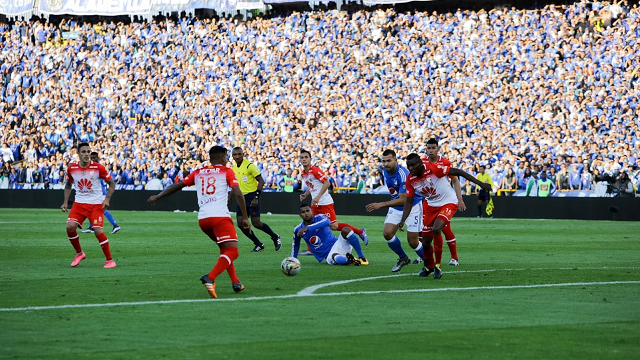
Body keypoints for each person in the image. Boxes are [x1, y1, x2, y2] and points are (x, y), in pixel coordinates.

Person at [147, 146, 250, 299]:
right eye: (227, 157)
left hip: (203, 219)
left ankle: (235, 282)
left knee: (225, 250)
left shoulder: (198, 172)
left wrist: (158, 196)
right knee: (233, 251)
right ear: (222, 158)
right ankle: (210, 277)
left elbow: (177, 186)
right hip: (220, 217)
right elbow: (238, 193)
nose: (228, 160)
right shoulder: (227, 171)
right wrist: (245, 217)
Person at [398, 153, 491, 279]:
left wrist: (480, 184)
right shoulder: (410, 180)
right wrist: (402, 220)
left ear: (420, 163)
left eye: (413, 165)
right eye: (408, 166)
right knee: (425, 242)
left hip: (448, 202)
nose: (410, 169)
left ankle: (438, 265)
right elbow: (409, 202)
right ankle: (429, 267)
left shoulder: (433, 169)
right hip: (430, 206)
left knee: (437, 229)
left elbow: (458, 172)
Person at [299, 149, 369, 263]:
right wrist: (305, 194)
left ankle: (360, 232)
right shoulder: (303, 173)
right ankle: (310, 249)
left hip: (325, 202)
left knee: (334, 226)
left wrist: (318, 197)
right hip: (315, 204)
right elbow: (312, 187)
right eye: (302, 157)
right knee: (311, 224)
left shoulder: (315, 170)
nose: (304, 159)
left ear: (310, 159)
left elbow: (327, 183)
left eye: (306, 157)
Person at [366, 149, 425, 272]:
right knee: (387, 233)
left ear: (396, 160)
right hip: (396, 206)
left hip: (412, 206)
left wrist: (381, 204)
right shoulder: (385, 171)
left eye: (389, 161)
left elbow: (403, 199)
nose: (386, 164)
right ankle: (403, 258)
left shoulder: (403, 174)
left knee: (413, 241)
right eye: (383, 161)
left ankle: (430, 263)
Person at [60, 142, 117, 269]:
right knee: (70, 226)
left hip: (96, 204)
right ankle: (79, 253)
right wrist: (65, 202)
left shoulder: (98, 168)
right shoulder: (72, 169)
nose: (86, 154)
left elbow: (112, 184)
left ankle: (110, 260)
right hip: (79, 204)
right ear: (78, 154)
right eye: (84, 152)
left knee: (97, 230)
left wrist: (107, 199)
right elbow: (68, 185)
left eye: (88, 152)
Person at [231, 147, 281, 252]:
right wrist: (229, 197)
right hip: (241, 198)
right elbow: (235, 186)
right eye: (235, 155)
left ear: (243, 154)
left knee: (256, 223)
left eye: (239, 154)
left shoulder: (249, 166)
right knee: (240, 223)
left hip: (252, 196)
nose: (237, 156)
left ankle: (275, 236)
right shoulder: (234, 169)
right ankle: (258, 244)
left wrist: (256, 197)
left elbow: (261, 181)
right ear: (232, 156)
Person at [425, 139, 463, 267]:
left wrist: (460, 199)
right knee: (423, 231)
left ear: (437, 149)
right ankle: (424, 257)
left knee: (444, 229)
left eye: (433, 148)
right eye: (428, 148)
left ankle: (454, 258)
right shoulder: (423, 162)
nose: (430, 151)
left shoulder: (445, 162)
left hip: (445, 202)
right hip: (430, 202)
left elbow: (455, 181)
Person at [292, 204, 367, 266]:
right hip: (328, 254)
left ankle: (361, 256)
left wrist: (308, 228)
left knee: (346, 229)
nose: (306, 213)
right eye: (303, 212)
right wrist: (294, 259)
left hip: (338, 244)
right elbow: (295, 245)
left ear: (312, 211)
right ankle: (350, 260)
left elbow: (327, 222)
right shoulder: (298, 229)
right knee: (335, 256)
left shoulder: (320, 217)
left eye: (308, 211)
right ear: (300, 215)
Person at [82, 152, 121, 234]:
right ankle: (91, 227)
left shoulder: (99, 168)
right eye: (91, 158)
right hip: (95, 192)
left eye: (94, 158)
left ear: (97, 158)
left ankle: (115, 225)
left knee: (102, 210)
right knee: (91, 209)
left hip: (99, 192)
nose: (92, 159)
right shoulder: (93, 167)